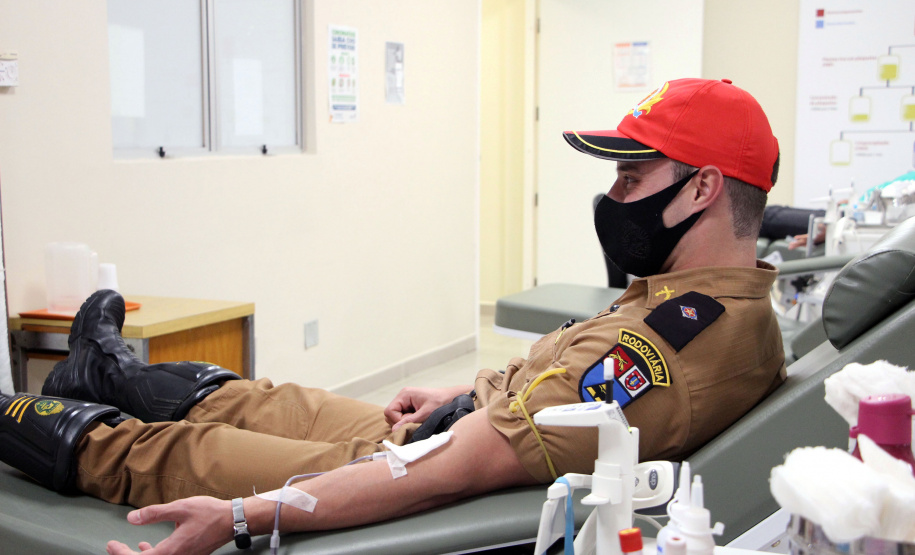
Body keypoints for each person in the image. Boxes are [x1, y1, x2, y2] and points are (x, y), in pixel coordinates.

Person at [0, 78, 786, 555]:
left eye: (630, 176)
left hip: (426, 473)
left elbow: (466, 467)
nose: (613, 199)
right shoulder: (693, 296)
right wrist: (458, 393)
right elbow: (542, 395)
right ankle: (109, 372)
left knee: (188, 448)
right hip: (443, 429)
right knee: (260, 396)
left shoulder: (672, 349)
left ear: (702, 188)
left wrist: (242, 513)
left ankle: (45, 420)